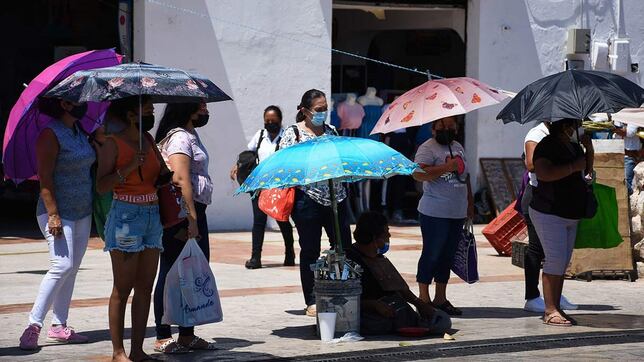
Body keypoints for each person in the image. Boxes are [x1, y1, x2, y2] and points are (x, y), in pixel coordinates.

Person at [97, 95, 169, 362]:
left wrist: (164, 172)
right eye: (148, 109)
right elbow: (101, 186)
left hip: (152, 214)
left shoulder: (148, 141)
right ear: (131, 114)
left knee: (145, 288)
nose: (152, 113)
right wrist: (129, 166)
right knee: (123, 287)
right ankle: (118, 352)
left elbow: (157, 177)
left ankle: (137, 350)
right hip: (126, 215)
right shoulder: (112, 145)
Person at [19, 98, 94, 350]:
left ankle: (59, 325)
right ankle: (33, 325)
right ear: (65, 104)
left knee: (72, 268)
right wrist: (53, 214)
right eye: (78, 99)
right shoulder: (50, 134)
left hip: (83, 210)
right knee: (61, 265)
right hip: (57, 212)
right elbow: (45, 178)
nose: (84, 102)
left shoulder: (80, 131)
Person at [279, 89, 351, 317]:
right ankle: (311, 299)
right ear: (305, 110)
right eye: (318, 110)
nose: (323, 114)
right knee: (310, 249)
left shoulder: (332, 131)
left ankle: (342, 290)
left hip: (336, 197)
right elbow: (285, 164)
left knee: (343, 247)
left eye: (325, 109)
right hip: (307, 199)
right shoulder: (293, 134)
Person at [153, 102, 217, 353]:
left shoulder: (191, 134)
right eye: (201, 106)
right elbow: (180, 179)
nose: (205, 111)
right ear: (188, 109)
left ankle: (187, 335)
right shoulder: (179, 137)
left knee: (191, 274)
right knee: (170, 272)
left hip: (195, 211)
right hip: (182, 213)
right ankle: (162, 334)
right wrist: (190, 218)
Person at [529, 118, 594, 327]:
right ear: (565, 127)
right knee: (555, 259)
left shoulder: (574, 146)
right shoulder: (546, 146)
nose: (577, 129)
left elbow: (585, 170)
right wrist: (572, 166)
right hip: (549, 211)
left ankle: (557, 306)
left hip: (570, 213)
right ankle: (550, 310)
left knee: (562, 262)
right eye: (575, 125)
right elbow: (543, 173)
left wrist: (589, 149)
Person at [346, 212, 451, 336]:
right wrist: (373, 305)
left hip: (390, 308)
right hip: (362, 313)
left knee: (442, 321)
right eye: (386, 232)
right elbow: (342, 300)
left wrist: (419, 303)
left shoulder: (378, 257)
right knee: (379, 324)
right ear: (375, 238)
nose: (389, 235)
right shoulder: (349, 261)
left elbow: (399, 287)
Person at [412, 116, 473, 316]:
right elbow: (418, 174)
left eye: (451, 126)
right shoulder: (427, 148)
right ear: (433, 129)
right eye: (442, 126)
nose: (447, 129)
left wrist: (470, 204)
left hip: (456, 211)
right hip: (434, 212)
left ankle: (440, 297)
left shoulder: (458, 147)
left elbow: (466, 176)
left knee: (447, 255)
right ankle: (423, 297)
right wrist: (446, 167)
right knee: (432, 253)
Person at [229, 105, 296, 269]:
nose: (270, 123)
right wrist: (238, 165)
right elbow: (248, 153)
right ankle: (255, 257)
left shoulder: (286, 137)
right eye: (267, 120)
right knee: (258, 221)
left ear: (280, 120)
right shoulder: (260, 136)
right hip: (259, 185)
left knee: (282, 220)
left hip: (279, 186)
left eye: (273, 120)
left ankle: (289, 254)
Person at [522, 122, 577, 313]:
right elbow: (531, 164)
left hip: (560, 199)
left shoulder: (570, 139)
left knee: (558, 254)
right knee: (537, 249)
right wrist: (567, 166)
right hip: (540, 196)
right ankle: (533, 296)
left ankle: (554, 295)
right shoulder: (537, 134)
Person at [613, 121, 642, 194]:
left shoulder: (631, 116)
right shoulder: (617, 118)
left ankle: (628, 201)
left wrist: (611, 127)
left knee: (626, 183)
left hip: (629, 157)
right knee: (617, 181)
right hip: (617, 155)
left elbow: (629, 132)